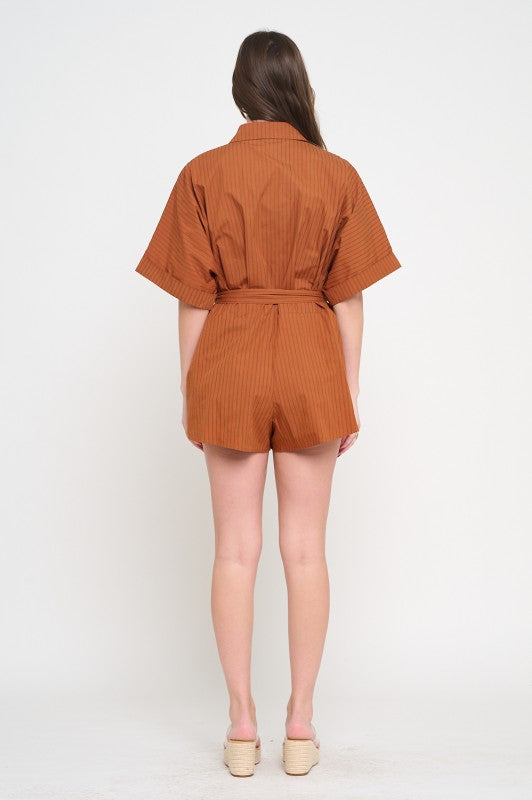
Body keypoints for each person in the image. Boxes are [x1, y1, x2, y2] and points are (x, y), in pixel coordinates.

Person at [134, 30, 402, 777]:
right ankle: (302, 724)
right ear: (297, 87)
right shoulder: (336, 174)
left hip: (232, 356)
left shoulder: (202, 173)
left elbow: (193, 300)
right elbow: (349, 298)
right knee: (306, 550)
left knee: (235, 550)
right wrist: (347, 389)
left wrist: (193, 389)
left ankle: (241, 726)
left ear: (240, 91)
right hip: (312, 360)